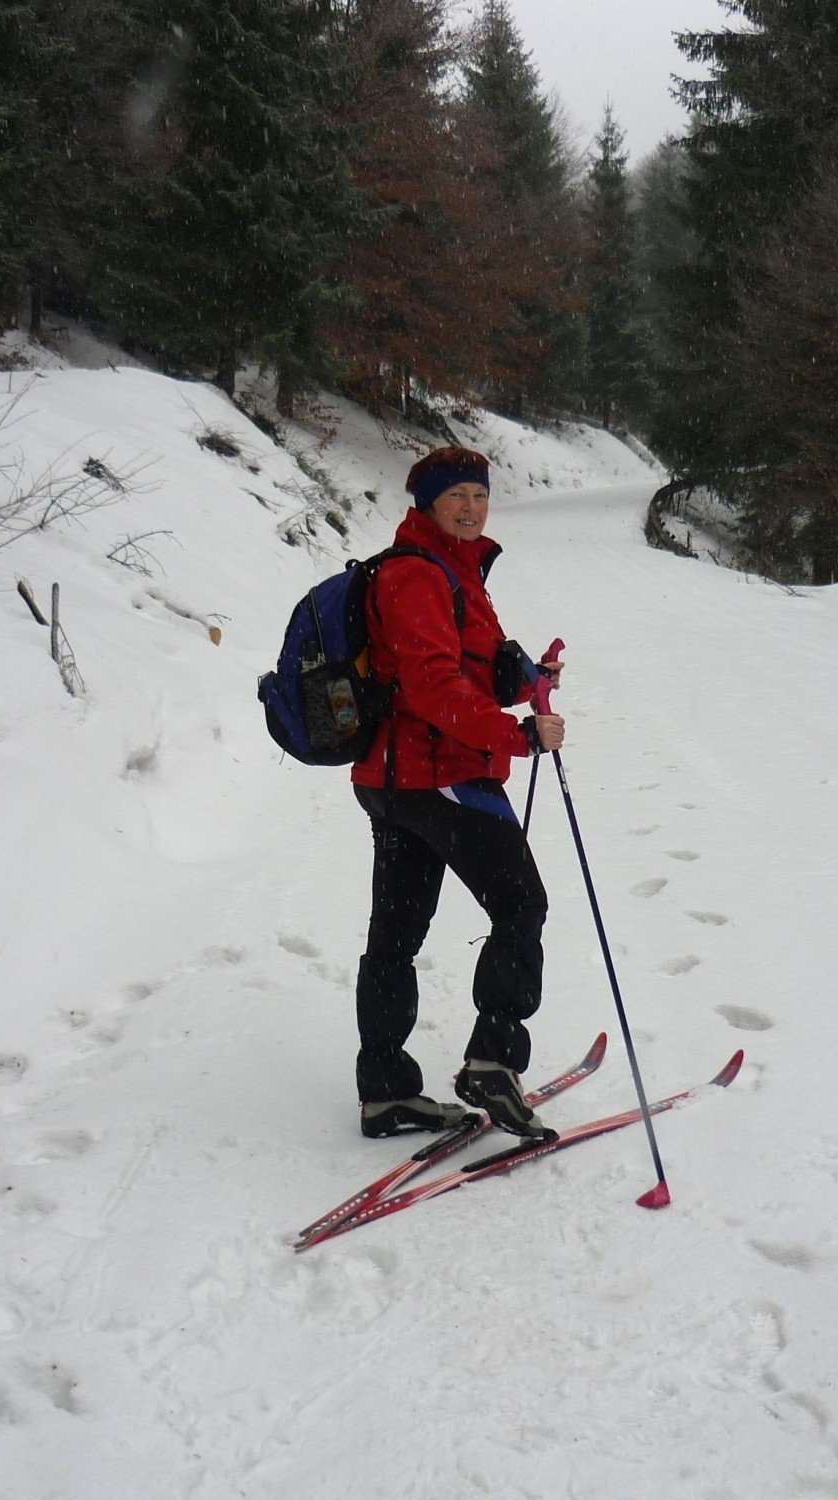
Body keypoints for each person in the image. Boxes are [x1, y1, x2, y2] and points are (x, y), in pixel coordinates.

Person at [350, 446, 565, 1140]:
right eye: (456, 497)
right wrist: (518, 737)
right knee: (520, 903)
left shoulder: (457, 573)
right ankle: (491, 1064)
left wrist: (520, 676)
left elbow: (463, 669)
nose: (471, 507)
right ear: (427, 504)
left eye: (479, 494)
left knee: (396, 936)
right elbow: (432, 688)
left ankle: (386, 1092)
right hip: (437, 773)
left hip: (400, 781)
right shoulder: (416, 574)